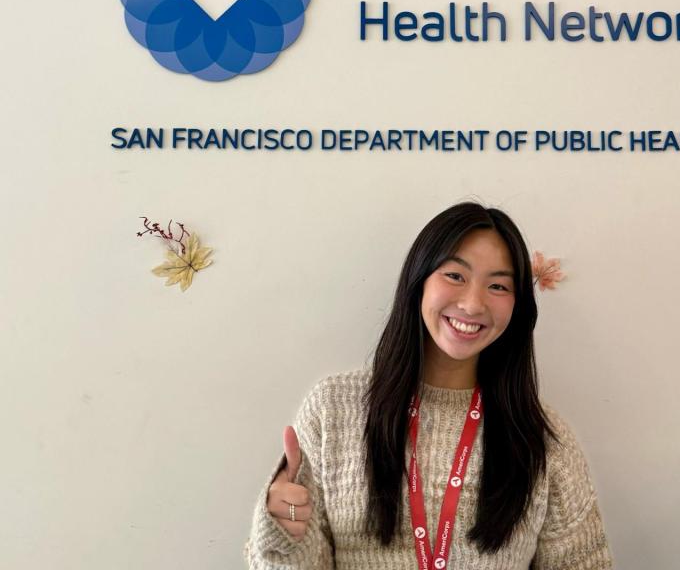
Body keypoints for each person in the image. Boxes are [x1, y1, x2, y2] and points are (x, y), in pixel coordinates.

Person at [244, 202, 612, 569]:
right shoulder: (333, 410)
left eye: (498, 285)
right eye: (455, 275)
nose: (472, 304)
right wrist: (284, 536)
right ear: (419, 280)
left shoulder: (542, 439)